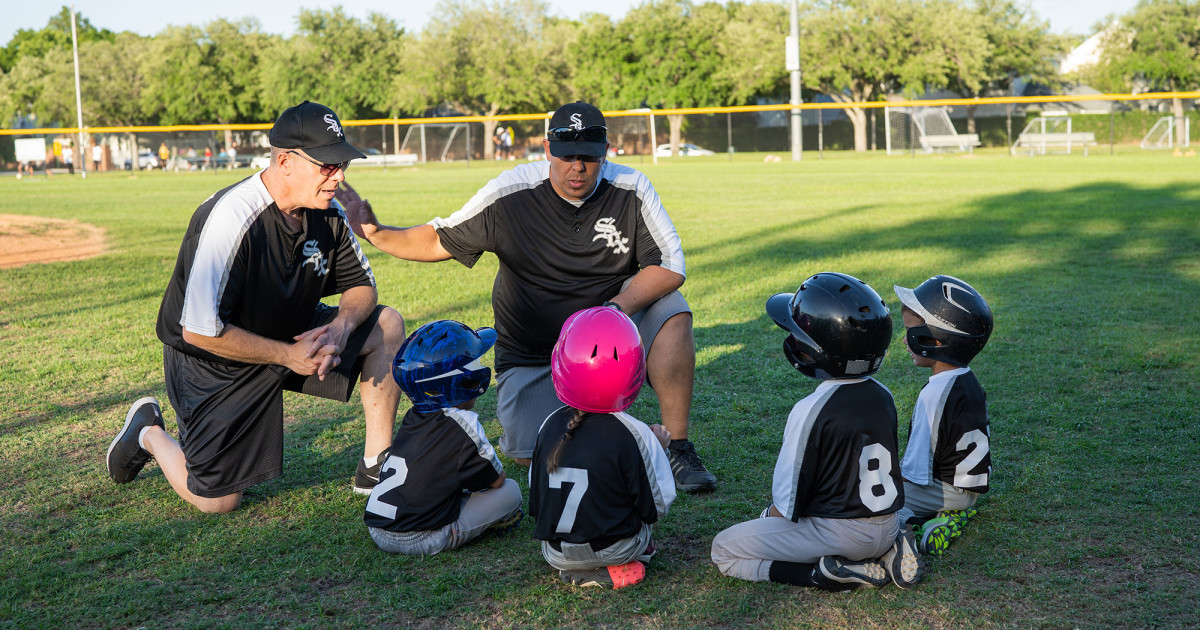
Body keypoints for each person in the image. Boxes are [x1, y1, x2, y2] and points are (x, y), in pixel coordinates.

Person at [338, 101, 716, 494]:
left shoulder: (631, 187)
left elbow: (671, 266)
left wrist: (612, 311)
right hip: (534, 351)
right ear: (548, 149)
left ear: (604, 154)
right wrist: (377, 233)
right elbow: (440, 237)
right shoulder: (512, 190)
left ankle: (678, 446)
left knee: (673, 312)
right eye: (567, 155)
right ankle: (631, 441)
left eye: (588, 157)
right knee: (530, 452)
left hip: (607, 335)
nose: (578, 167)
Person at [105, 101, 406, 514]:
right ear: (285, 162)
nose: (338, 176)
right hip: (213, 359)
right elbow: (199, 331)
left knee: (384, 325)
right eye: (327, 166)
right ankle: (148, 433)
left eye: (343, 165)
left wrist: (340, 326)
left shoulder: (328, 213)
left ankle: (376, 466)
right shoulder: (232, 217)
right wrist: (287, 355)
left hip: (289, 332)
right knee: (218, 502)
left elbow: (361, 287)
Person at [710, 272, 924, 591]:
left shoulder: (810, 409)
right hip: (889, 522)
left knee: (723, 549)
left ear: (815, 350)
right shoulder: (884, 395)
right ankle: (893, 546)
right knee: (869, 525)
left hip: (843, 535)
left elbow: (785, 507)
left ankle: (825, 573)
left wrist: (765, 520)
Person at [530, 307, 675, 589]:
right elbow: (658, 505)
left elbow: (537, 496)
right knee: (641, 523)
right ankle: (623, 563)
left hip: (555, 552)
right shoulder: (636, 432)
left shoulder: (548, 424)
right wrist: (659, 448)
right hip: (614, 548)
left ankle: (581, 567)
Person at [365, 320, 524, 555]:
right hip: (419, 537)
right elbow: (496, 481)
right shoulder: (464, 423)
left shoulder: (414, 415)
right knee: (511, 492)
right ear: (459, 382)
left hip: (377, 529)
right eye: (473, 365)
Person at [892, 275, 994, 555]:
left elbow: (914, 472)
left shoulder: (934, 393)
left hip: (942, 491)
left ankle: (918, 525)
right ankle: (952, 516)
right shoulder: (967, 379)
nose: (904, 341)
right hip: (967, 491)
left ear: (939, 340)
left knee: (874, 503)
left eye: (910, 332)